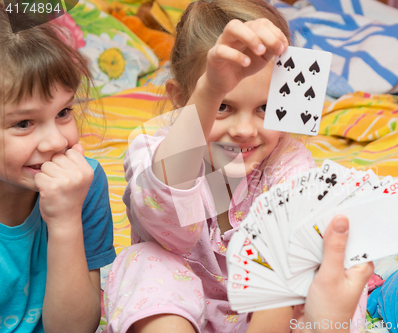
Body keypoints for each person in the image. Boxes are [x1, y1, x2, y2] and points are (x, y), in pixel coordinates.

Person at [104, 1, 373, 332]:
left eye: (264, 108)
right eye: (223, 107)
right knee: (144, 260)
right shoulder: (152, 149)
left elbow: (289, 271)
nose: (245, 130)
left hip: (264, 319)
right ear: (180, 97)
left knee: (315, 266)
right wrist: (209, 90)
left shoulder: (288, 163)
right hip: (180, 312)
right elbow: (167, 225)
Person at [0, 6, 116, 332]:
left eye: (64, 112)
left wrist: (65, 221)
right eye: (24, 123)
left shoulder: (84, 183)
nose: (55, 142)